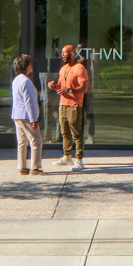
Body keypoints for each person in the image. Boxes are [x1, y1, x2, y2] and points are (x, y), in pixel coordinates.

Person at [47, 44, 89, 172]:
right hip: (63, 104)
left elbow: (84, 88)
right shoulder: (63, 69)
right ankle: (67, 156)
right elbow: (62, 86)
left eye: (64, 52)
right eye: (62, 52)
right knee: (65, 133)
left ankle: (79, 160)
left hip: (75, 105)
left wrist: (69, 90)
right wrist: (54, 86)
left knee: (77, 133)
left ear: (72, 53)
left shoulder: (80, 68)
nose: (62, 55)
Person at [11, 52, 44, 175]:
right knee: (36, 140)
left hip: (17, 115)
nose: (31, 65)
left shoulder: (16, 80)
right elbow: (29, 102)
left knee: (22, 142)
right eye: (29, 63)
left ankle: (22, 167)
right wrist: (33, 119)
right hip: (26, 116)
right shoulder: (27, 82)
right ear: (25, 66)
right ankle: (35, 168)